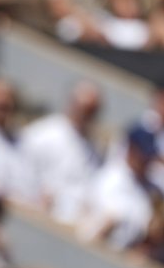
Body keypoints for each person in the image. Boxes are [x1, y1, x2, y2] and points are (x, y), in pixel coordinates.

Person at [16, 80, 103, 225]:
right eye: (84, 108)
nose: (87, 115)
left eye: (92, 111)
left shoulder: (94, 148)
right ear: (72, 103)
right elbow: (23, 173)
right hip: (41, 216)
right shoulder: (42, 134)